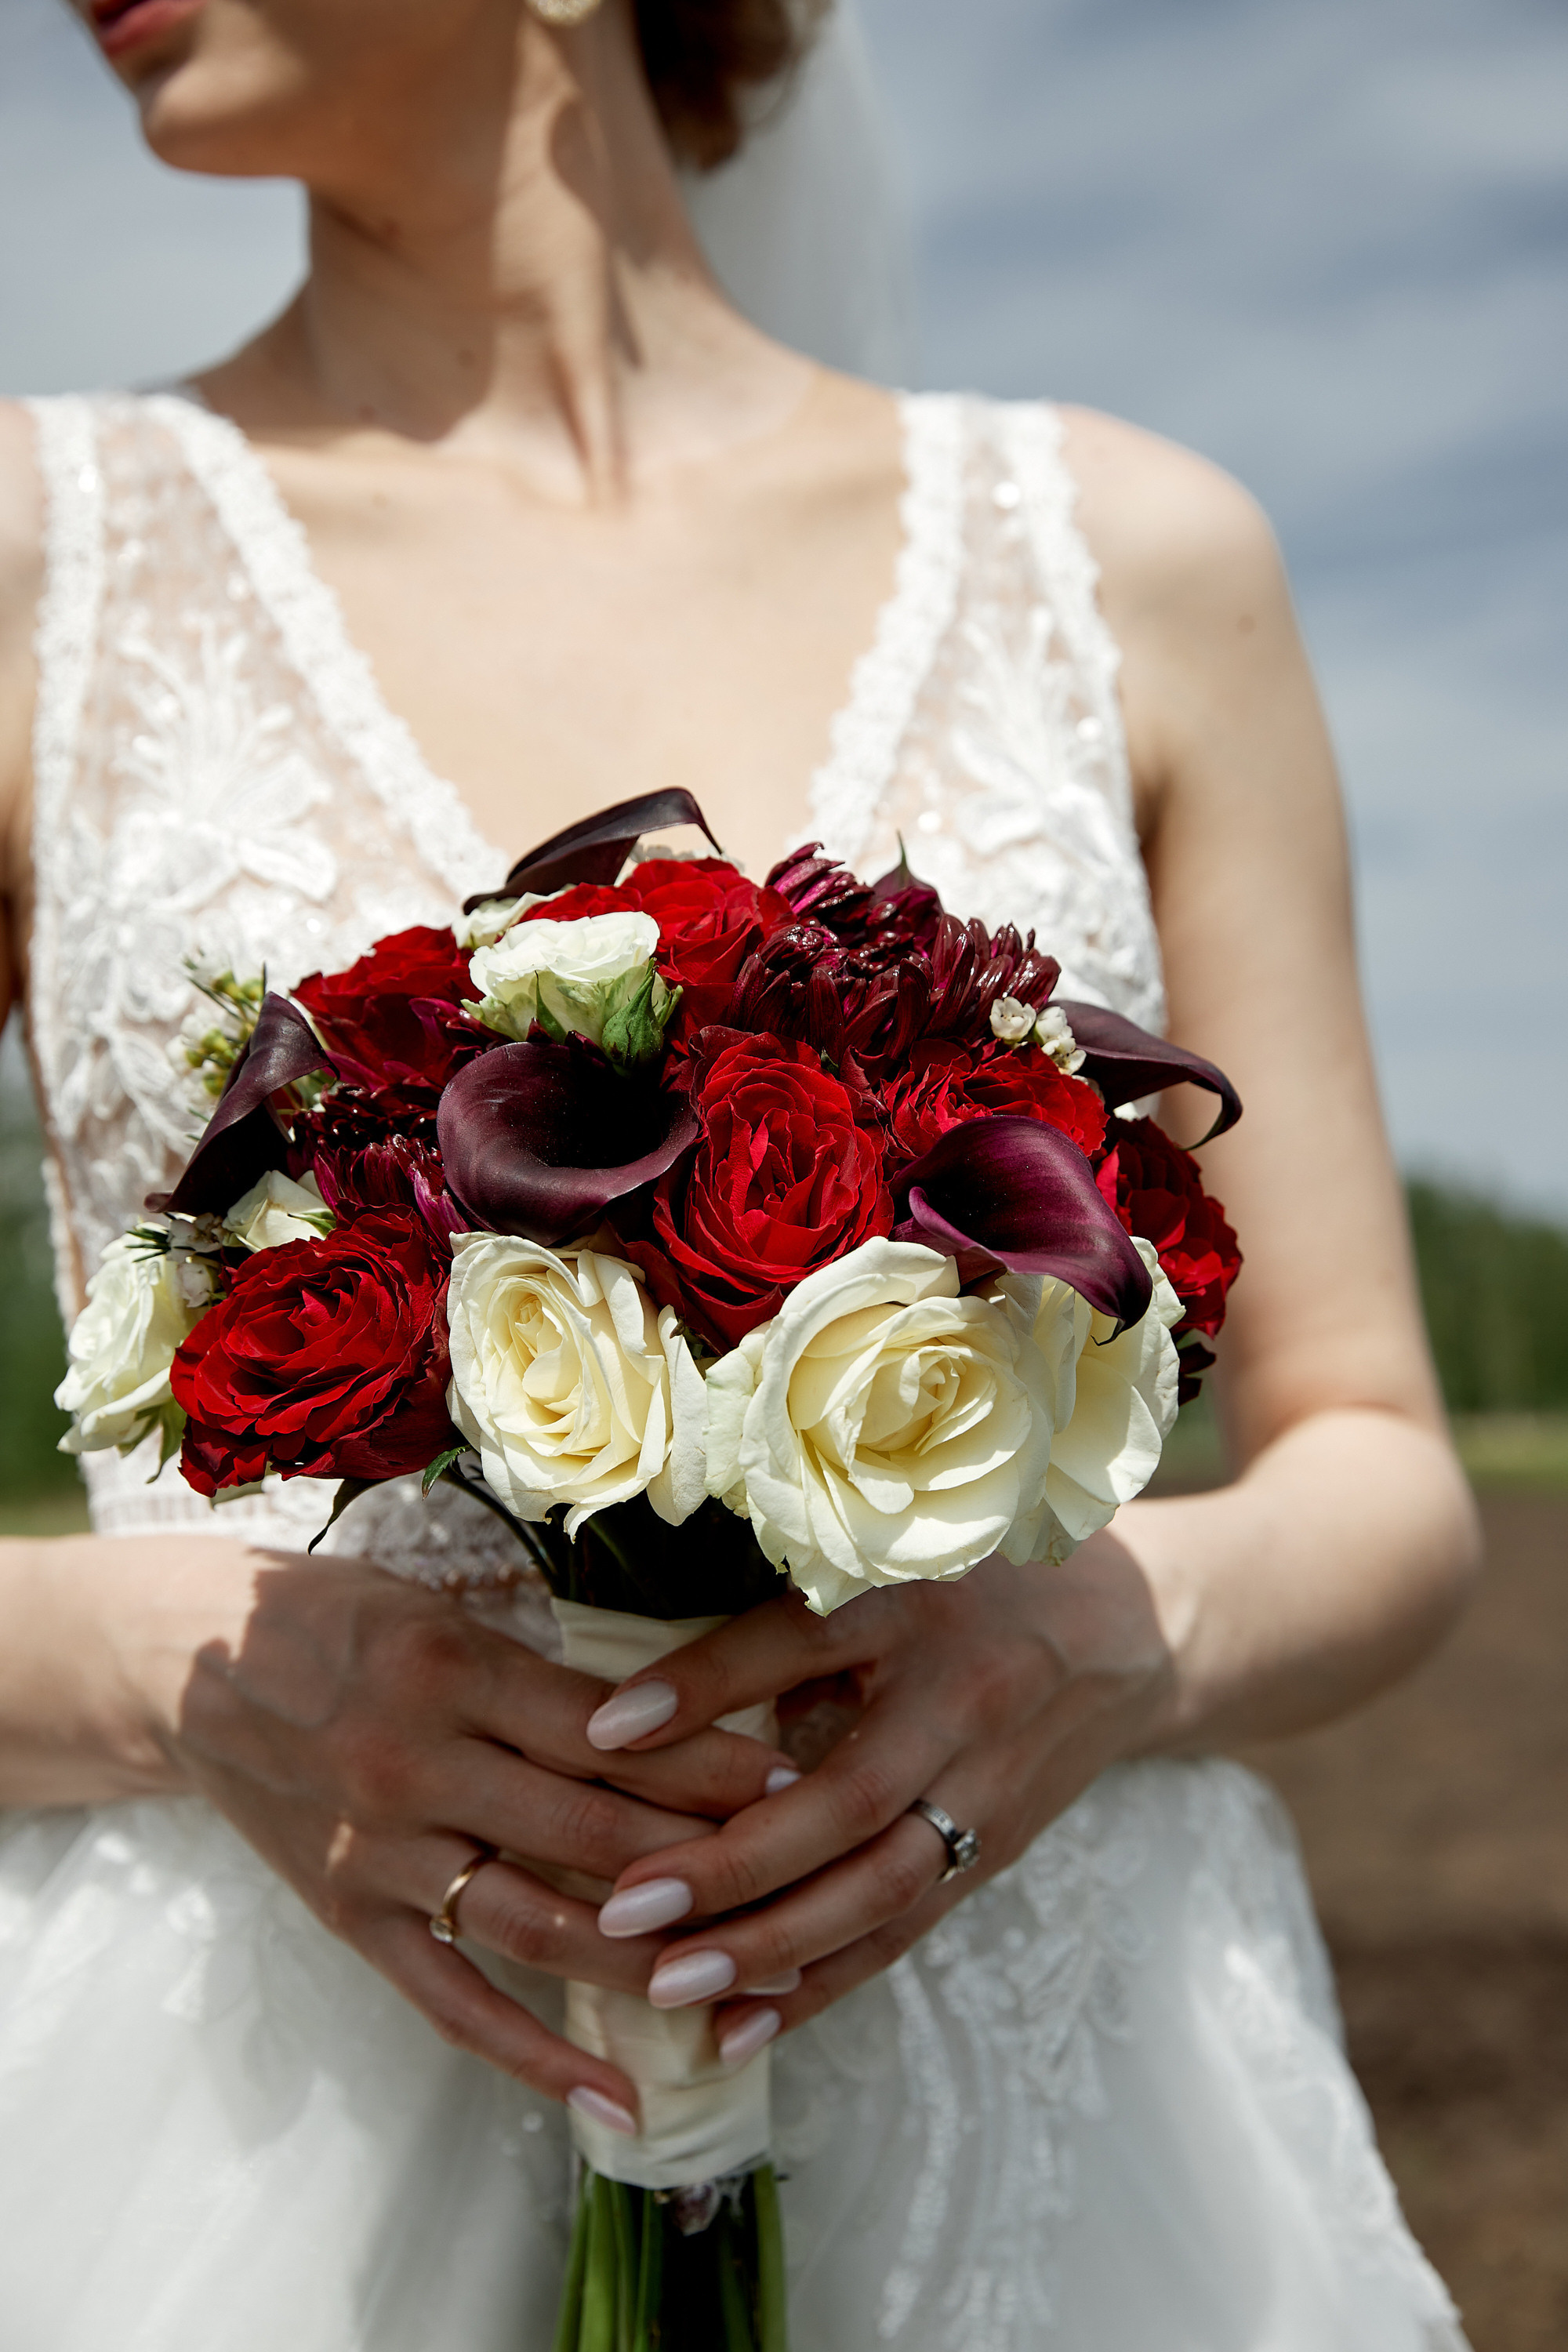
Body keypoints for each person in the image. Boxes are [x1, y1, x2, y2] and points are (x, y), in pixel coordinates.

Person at [0, 2, 1482, 2345]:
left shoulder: (1139, 556)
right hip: (255, 2140)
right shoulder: (31, 558)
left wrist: (1096, 1637)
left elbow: (1384, 1461)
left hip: (1069, 2119)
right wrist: (190, 1673)